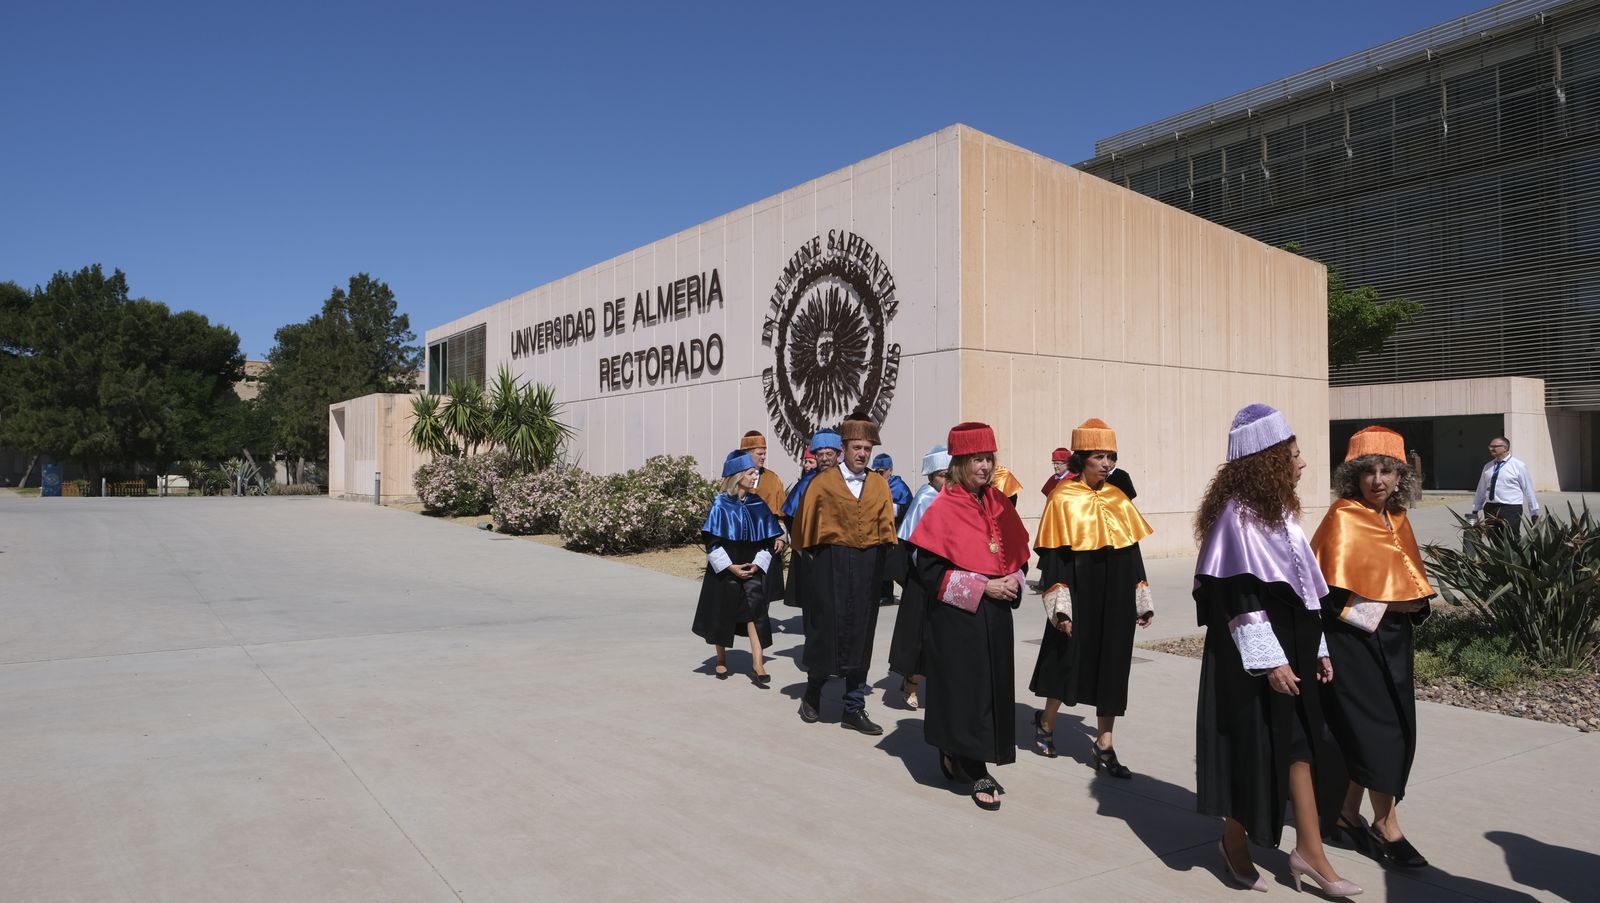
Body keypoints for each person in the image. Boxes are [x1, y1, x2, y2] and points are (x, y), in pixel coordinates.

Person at [1193, 403, 1357, 897]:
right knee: (1255, 750)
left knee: (1300, 747)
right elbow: (1237, 599)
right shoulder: (1236, 518)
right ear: (1266, 460)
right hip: (1253, 659)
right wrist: (1271, 662)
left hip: (1295, 647)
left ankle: (1310, 851)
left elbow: (1307, 590)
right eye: (1293, 455)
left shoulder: (1282, 515)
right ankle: (1233, 842)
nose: (1302, 463)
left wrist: (1318, 646)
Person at [1312, 425, 1435, 869]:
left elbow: (1411, 583)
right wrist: (1388, 605)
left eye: (1387, 471)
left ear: (1401, 476)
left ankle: (1346, 815)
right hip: (1353, 644)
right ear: (1354, 476)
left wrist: (1407, 606)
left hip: (1395, 641)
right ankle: (1387, 824)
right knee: (1380, 733)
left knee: (1393, 729)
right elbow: (1328, 596)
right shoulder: (1343, 516)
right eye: (1369, 471)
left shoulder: (1397, 518)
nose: (1378, 480)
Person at [908, 422, 1030, 810]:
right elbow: (929, 574)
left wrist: (1013, 579)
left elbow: (1017, 556)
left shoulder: (999, 502)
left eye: (989, 458)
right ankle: (973, 766)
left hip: (997, 616)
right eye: (977, 459)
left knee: (992, 690)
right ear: (960, 463)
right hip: (957, 620)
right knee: (965, 692)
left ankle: (957, 752)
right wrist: (983, 587)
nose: (985, 466)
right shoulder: (943, 507)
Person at [1029, 418, 1154, 777]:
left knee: (1113, 665)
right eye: (1099, 456)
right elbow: (1055, 558)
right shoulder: (1062, 497)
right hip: (1078, 592)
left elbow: (1132, 552)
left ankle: (1104, 744)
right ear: (1081, 458)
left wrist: (1141, 598)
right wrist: (1060, 608)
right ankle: (1047, 722)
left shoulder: (1118, 497)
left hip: (1116, 594)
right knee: (1067, 659)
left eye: (1111, 456)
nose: (1106, 463)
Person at [793, 416, 898, 735]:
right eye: (857, 448)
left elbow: (886, 528)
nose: (862, 454)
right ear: (844, 449)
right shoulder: (822, 483)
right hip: (831, 563)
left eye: (867, 449)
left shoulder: (879, 484)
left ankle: (853, 707)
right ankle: (813, 693)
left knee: (862, 633)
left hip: (868, 565)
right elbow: (805, 528)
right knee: (826, 630)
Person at [691, 450, 784, 686]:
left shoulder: (758, 504)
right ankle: (721, 658)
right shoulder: (720, 505)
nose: (755, 477)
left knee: (755, 613)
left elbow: (767, 542)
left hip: (751, 567)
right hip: (726, 569)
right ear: (738, 475)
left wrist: (757, 564)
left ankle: (758, 663)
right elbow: (712, 544)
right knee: (722, 611)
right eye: (751, 473)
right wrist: (730, 567)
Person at [886, 443, 951, 710]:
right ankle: (911, 684)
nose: (947, 481)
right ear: (932, 476)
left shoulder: (953, 498)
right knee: (918, 636)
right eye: (943, 475)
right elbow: (913, 544)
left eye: (950, 475)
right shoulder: (926, 499)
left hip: (947, 575)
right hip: (923, 578)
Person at [781, 429, 841, 610]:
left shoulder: (847, 480)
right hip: (814, 551)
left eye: (829, 454)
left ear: (838, 454)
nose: (824, 458)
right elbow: (791, 516)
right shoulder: (808, 482)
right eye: (820, 454)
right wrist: (803, 548)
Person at [741, 431, 789, 609]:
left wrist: (781, 537)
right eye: (759, 453)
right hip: (741, 540)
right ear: (747, 454)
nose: (763, 457)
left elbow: (781, 513)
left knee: (764, 588)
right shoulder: (735, 478)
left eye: (764, 453)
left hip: (767, 540)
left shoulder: (772, 479)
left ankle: (761, 619)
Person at [1469, 436, 1539, 540]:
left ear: (1505, 448)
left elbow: (1528, 489)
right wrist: (1476, 509)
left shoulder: (1518, 466)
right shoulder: (1488, 466)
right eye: (1490, 446)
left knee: (1512, 538)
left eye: (1495, 446)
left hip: (1510, 508)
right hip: (1490, 508)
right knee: (1493, 538)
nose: (1491, 449)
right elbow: (1481, 489)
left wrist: (1534, 512)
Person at [875, 453, 913, 606]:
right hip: (881, 531)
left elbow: (908, 507)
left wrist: (891, 508)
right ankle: (886, 595)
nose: (878, 475)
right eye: (876, 472)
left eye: (881, 472)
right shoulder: (874, 484)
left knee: (897, 567)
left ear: (890, 470)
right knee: (882, 565)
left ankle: (911, 593)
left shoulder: (899, 486)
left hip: (897, 531)